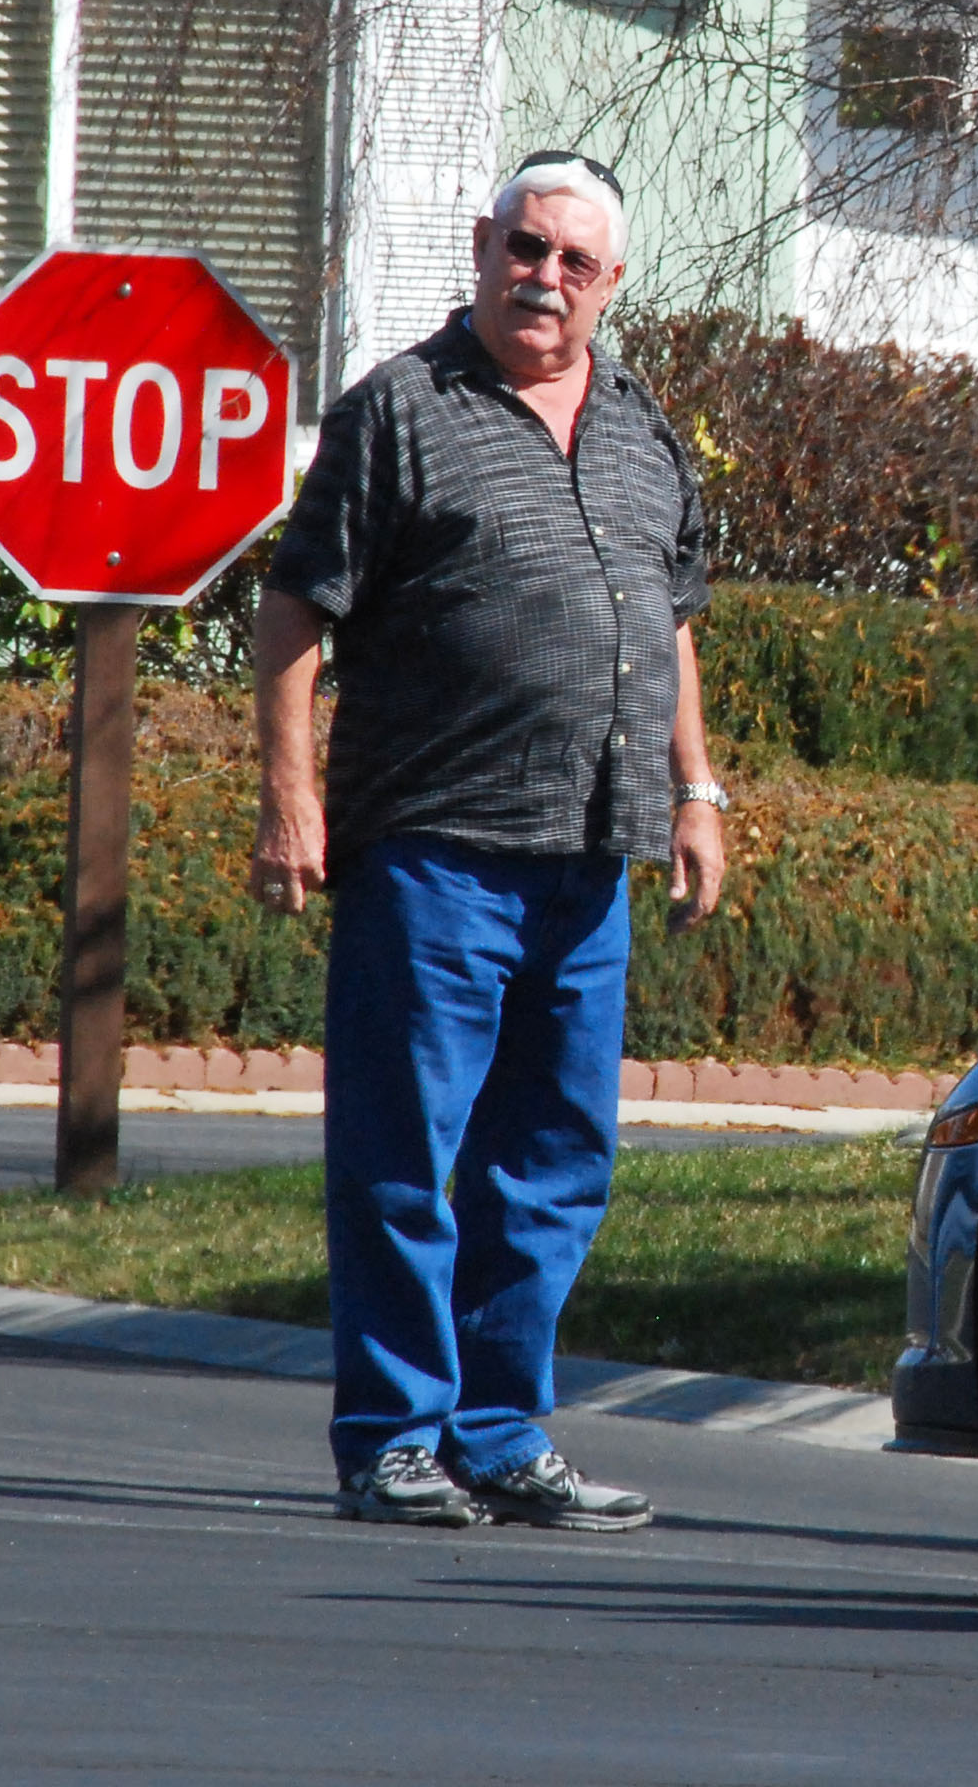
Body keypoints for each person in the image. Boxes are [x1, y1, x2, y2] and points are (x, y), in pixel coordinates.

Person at [253, 149, 728, 1532]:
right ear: (484, 247)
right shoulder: (400, 411)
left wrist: (698, 791)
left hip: (593, 857)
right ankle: (393, 1437)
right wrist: (293, 802)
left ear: (613, 283)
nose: (547, 278)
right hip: (435, 850)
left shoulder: (645, 430)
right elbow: (295, 612)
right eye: (527, 248)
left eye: (577, 262)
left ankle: (503, 1433)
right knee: (407, 1156)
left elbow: (673, 621)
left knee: (554, 1163)